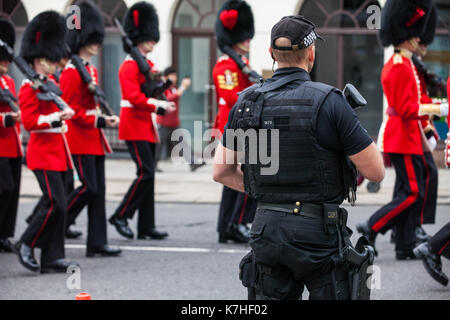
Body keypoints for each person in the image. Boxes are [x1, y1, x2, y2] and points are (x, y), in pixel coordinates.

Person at [213, 15, 385, 300]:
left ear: (271, 54)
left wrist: (267, 192)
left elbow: (221, 172)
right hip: (318, 232)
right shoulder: (331, 101)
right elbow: (376, 171)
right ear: (311, 53)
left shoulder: (246, 102)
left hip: (266, 226)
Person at [356, 0, 448, 260]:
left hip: (410, 137)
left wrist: (439, 108)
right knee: (412, 192)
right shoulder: (396, 66)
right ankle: (372, 225)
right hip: (401, 137)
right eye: (415, 34)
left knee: (411, 190)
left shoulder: (407, 64)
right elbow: (407, 108)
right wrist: (439, 111)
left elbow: (417, 101)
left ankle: (404, 243)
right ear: (405, 36)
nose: (419, 38)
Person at [15, 11, 78, 273]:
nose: (54, 64)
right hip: (43, 155)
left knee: (59, 207)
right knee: (55, 203)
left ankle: (52, 256)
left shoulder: (50, 83)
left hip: (59, 153)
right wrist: (56, 117)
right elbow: (30, 122)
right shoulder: (29, 87)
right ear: (39, 60)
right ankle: (26, 242)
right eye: (49, 61)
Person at [108, 2, 175, 240]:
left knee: (149, 175)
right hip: (133, 124)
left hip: (146, 125)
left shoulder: (148, 65)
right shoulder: (128, 65)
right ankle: (121, 215)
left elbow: (151, 90)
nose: (152, 43)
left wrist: (163, 95)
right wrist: (159, 104)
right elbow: (133, 97)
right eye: (148, 39)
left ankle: (146, 226)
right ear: (139, 39)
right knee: (145, 172)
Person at [61, 1, 121, 257]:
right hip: (79, 138)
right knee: (89, 188)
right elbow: (72, 110)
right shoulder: (72, 72)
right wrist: (98, 120)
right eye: (92, 39)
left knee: (99, 193)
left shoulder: (90, 70)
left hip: (93, 139)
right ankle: (56, 222)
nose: (97, 43)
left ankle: (97, 243)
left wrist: (103, 116)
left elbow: (90, 106)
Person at [213, 0, 258, 244]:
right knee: (243, 174)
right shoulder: (226, 65)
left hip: (243, 124)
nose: (247, 40)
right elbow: (232, 97)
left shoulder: (242, 63)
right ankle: (237, 222)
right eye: (244, 36)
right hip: (235, 125)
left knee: (233, 176)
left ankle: (227, 226)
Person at [155, 66, 204, 172]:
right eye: (172, 76)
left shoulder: (173, 88)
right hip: (163, 122)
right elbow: (171, 98)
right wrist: (183, 87)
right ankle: (153, 165)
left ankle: (193, 162)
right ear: (165, 77)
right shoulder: (163, 87)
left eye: (175, 76)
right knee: (158, 145)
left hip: (173, 123)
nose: (175, 78)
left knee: (182, 143)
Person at [0, 18, 22, 253]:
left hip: (12, 143)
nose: (6, 63)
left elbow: (16, 108)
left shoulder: (8, 81)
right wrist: (5, 119)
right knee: (4, 188)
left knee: (12, 190)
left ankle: (4, 234)